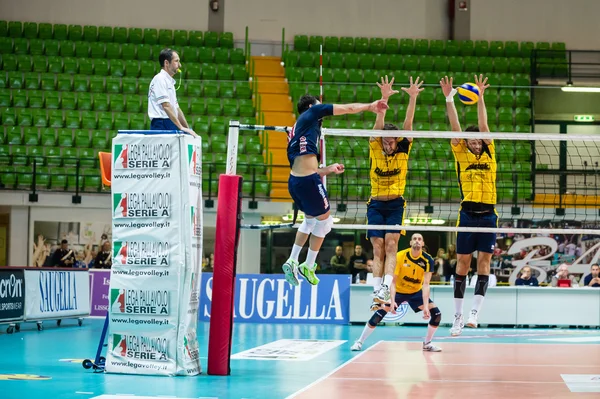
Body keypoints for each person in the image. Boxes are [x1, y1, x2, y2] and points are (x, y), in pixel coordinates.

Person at [282, 95, 389, 287]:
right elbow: (347, 108)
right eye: (317, 104)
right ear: (309, 106)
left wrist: (328, 169)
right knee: (325, 223)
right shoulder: (312, 113)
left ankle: (293, 260)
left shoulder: (297, 130)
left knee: (310, 220)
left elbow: (303, 165)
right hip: (308, 182)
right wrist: (370, 106)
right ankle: (307, 264)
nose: (320, 107)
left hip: (296, 181)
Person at [440, 74, 497, 336]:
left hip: (489, 215)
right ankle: (458, 316)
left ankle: (475, 312)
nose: (475, 143)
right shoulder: (461, 152)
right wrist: (449, 98)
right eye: (471, 140)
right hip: (467, 214)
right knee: (462, 264)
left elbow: (484, 125)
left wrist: (481, 98)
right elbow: (455, 127)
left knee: (484, 263)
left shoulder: (490, 152)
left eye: (477, 141)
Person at [369, 76, 423, 310]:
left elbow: (408, 124)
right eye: (386, 141)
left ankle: (385, 287)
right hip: (375, 203)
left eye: (392, 141)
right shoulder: (374, 144)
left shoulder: (402, 147)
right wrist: (384, 98)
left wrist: (412, 98)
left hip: (396, 204)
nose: (388, 144)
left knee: (391, 246)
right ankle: (376, 293)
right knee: (377, 247)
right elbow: (379, 120)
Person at [351, 233, 442, 352]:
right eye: (414, 239)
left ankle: (427, 343)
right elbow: (392, 282)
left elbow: (426, 284)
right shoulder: (400, 256)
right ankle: (359, 342)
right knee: (379, 314)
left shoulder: (428, 259)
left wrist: (425, 306)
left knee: (436, 314)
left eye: (420, 239)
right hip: (398, 290)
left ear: (423, 243)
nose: (417, 241)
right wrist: (392, 301)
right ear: (410, 242)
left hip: (415, 292)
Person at [148, 48, 197, 136]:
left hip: (170, 122)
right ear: (166, 63)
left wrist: (188, 129)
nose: (180, 65)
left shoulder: (169, 81)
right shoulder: (160, 79)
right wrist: (181, 127)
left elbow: (176, 109)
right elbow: (166, 106)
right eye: (176, 61)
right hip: (161, 124)